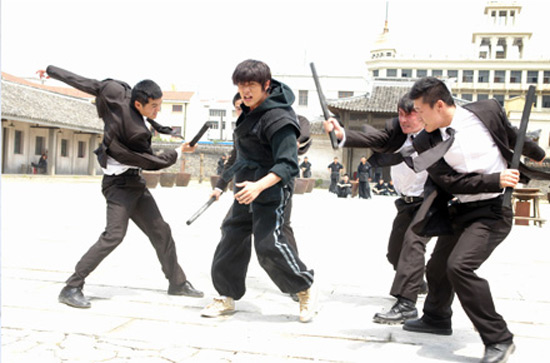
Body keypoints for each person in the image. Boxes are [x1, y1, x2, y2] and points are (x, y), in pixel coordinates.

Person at [404, 77, 549, 363]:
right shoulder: (425, 140)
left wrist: (538, 154)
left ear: (440, 105)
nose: (417, 117)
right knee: (437, 267)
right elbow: (450, 180)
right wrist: (495, 178)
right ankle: (436, 317)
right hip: (459, 207)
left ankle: (498, 338)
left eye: (421, 111)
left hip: (494, 211)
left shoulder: (486, 111)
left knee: (459, 267)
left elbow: (509, 134)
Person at [46, 65, 203, 309]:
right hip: (118, 186)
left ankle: (177, 283)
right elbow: (150, 161)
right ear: (138, 104)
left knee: (161, 230)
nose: (158, 110)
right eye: (154, 106)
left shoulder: (118, 91)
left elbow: (91, 84)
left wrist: (52, 71)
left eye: (160, 105)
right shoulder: (134, 132)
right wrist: (180, 151)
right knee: (114, 235)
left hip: (134, 183)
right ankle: (72, 287)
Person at [201, 60, 315, 322]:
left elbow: (288, 164)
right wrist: (220, 186)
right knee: (231, 236)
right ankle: (226, 296)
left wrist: (259, 186)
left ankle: (305, 288)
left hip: (272, 188)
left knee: (268, 244)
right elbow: (239, 156)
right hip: (246, 185)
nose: (246, 91)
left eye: (251, 85)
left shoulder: (279, 117)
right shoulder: (247, 113)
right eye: (241, 86)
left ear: (266, 85)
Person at [323, 92, 431, 325]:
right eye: (401, 114)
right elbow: (372, 139)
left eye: (410, 114)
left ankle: (406, 304)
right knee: (395, 254)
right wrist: (341, 133)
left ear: (424, 114)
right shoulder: (396, 132)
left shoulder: (438, 134)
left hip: (431, 200)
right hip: (406, 203)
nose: (404, 120)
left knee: (413, 244)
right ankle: (417, 281)